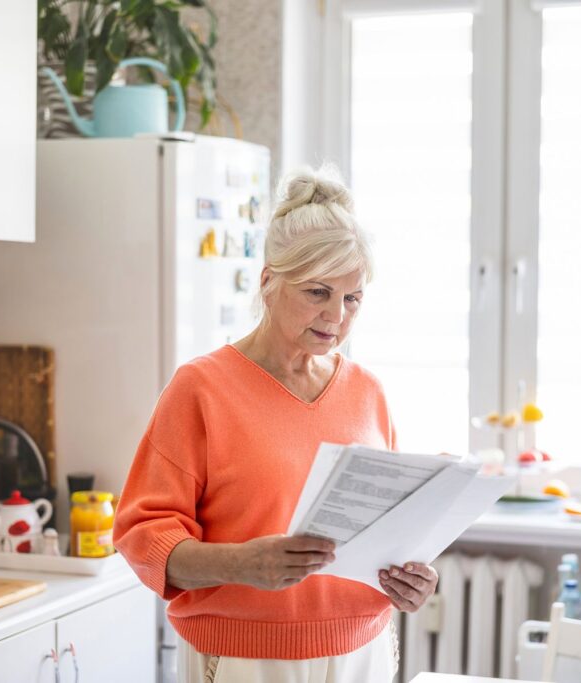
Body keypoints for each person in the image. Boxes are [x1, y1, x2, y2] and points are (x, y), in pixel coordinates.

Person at [113, 165, 438, 682]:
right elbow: (141, 537)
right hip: (246, 661)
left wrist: (412, 577)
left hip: (364, 654)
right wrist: (241, 565)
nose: (337, 316)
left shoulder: (368, 392)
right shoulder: (201, 389)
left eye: (352, 298)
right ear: (268, 282)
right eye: (317, 292)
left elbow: (391, 528)